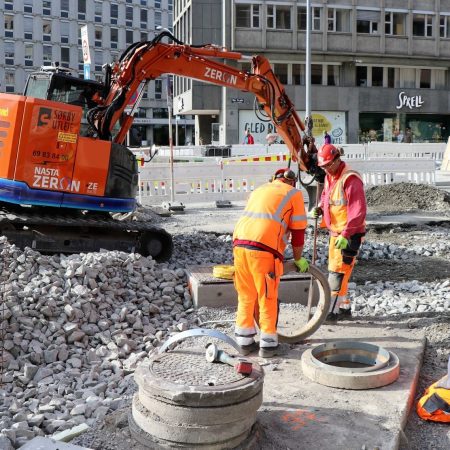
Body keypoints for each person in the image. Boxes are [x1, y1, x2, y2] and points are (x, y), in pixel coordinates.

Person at [233, 168, 309, 357]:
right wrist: (298, 259)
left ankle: (244, 341)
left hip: (239, 245)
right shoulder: (294, 193)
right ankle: (268, 345)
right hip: (264, 249)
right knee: (267, 295)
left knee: (246, 294)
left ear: (274, 179)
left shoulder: (259, 190)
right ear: (291, 182)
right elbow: (298, 232)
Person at [310, 144, 366, 322]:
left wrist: (346, 234)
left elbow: (358, 211)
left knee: (337, 272)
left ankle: (331, 312)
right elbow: (327, 196)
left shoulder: (350, 179)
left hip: (348, 235)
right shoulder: (330, 177)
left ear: (337, 159)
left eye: (328, 164)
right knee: (341, 272)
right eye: (323, 166)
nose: (325, 168)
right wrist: (319, 208)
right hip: (336, 233)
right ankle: (344, 308)